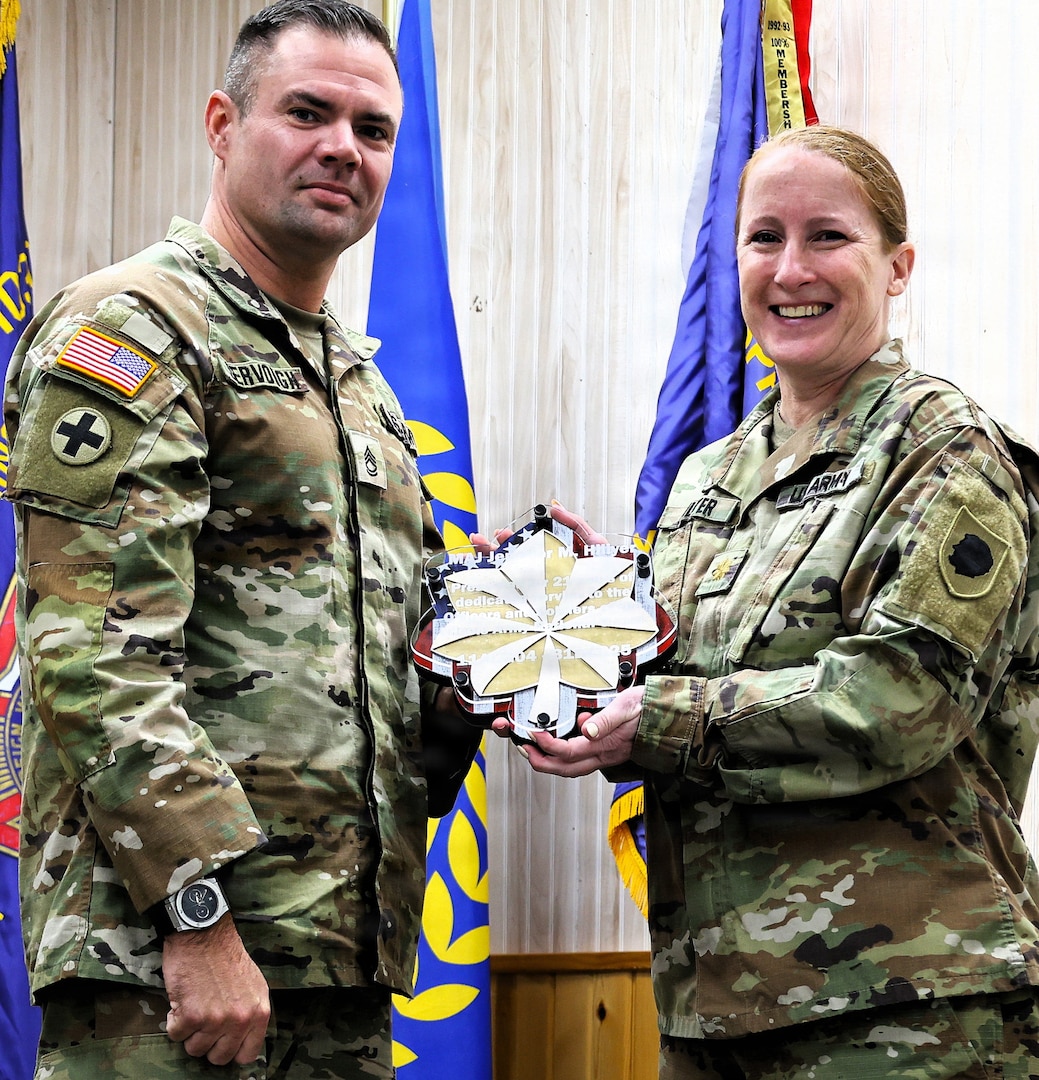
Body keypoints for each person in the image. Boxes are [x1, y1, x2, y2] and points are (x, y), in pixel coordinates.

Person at [4, 2, 481, 1076]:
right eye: (306, 112)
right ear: (222, 123)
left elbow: (375, 672)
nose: (341, 149)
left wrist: (513, 634)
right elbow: (96, 653)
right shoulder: (134, 330)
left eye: (372, 129)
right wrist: (196, 913)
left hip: (335, 953)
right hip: (168, 965)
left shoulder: (356, 384)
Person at [513, 126, 1039, 1078]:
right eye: (763, 238)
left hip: (903, 1010)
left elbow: (899, 700)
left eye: (827, 236)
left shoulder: (945, 449)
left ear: (896, 265)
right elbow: (675, 679)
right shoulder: (710, 475)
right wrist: (582, 622)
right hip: (711, 1006)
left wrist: (658, 719)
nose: (790, 269)